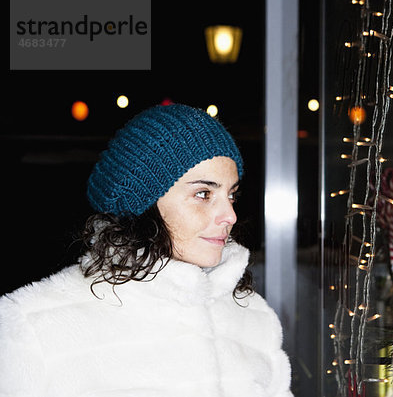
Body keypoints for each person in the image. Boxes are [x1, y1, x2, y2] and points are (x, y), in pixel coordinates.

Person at [0, 103, 293, 397]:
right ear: (142, 205)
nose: (230, 215)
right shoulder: (35, 327)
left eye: (231, 195)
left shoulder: (254, 317)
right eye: (203, 194)